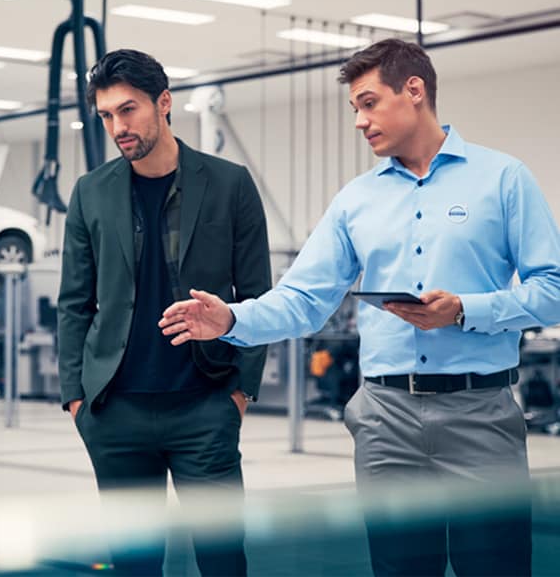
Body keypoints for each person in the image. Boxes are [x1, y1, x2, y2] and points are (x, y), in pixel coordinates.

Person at [159, 38, 560, 577]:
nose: (359, 121)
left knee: (496, 566)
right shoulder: (356, 200)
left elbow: (553, 288)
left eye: (369, 103)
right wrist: (232, 319)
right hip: (385, 420)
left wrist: (466, 309)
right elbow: (305, 299)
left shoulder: (502, 179)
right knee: (398, 568)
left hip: (480, 416)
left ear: (414, 91)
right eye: (355, 108)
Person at [57, 48, 271, 577]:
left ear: (164, 103)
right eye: (106, 115)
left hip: (205, 403)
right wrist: (75, 400)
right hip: (115, 410)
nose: (117, 127)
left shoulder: (229, 183)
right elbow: (74, 302)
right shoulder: (90, 193)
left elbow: (258, 296)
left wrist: (240, 394)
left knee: (222, 558)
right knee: (134, 563)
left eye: (128, 110)